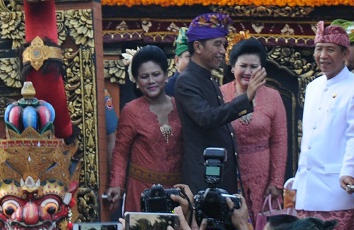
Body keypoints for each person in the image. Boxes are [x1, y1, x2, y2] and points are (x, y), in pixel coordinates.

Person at [175, 13, 265, 194]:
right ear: (198, 46)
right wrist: (246, 97)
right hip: (203, 181)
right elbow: (207, 119)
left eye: (223, 44)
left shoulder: (208, 79)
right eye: (217, 44)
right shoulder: (187, 81)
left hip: (217, 177)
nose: (223, 51)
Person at [293, 21, 354, 230]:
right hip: (308, 186)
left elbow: (353, 135)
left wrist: (349, 171)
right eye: (319, 49)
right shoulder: (313, 87)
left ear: (344, 54)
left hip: (336, 186)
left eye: (330, 50)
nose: (323, 56)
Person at [107, 45, 184, 212]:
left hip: (176, 192)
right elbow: (120, 152)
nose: (151, 81)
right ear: (136, 80)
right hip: (141, 192)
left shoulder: (181, 108)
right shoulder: (131, 111)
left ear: (166, 75)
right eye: (144, 76)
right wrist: (116, 184)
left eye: (156, 74)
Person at [220, 38, 287, 221]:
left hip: (262, 173)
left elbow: (279, 141)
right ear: (232, 67)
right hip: (230, 171)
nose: (248, 72)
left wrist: (276, 181)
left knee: (261, 228)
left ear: (262, 69)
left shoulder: (273, 97)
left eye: (254, 66)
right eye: (243, 66)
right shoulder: (220, 93)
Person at [165, 27, 191, 96]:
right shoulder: (168, 87)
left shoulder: (202, 84)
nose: (193, 61)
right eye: (189, 57)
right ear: (177, 60)